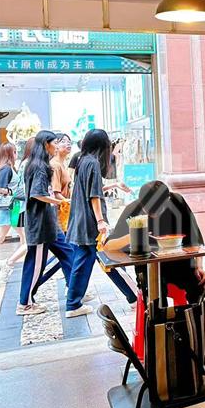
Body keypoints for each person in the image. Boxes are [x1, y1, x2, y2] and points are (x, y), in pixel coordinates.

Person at [103, 180, 205, 304]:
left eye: (158, 210)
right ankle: (160, 316)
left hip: (179, 264)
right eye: (149, 212)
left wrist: (198, 267)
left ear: (168, 199)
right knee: (156, 298)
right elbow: (108, 246)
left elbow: (194, 239)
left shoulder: (177, 202)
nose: (153, 215)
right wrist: (131, 236)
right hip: (148, 267)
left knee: (200, 290)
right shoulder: (133, 211)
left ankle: (192, 316)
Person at [16, 131, 74, 317]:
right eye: (54, 143)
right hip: (40, 224)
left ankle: (74, 291)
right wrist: (60, 202)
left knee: (68, 253)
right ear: (45, 144)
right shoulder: (39, 166)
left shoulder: (41, 165)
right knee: (35, 264)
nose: (56, 146)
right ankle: (25, 303)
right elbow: (37, 194)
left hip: (49, 223)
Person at [64, 128, 113, 318]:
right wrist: (100, 221)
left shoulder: (83, 160)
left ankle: (73, 301)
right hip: (88, 222)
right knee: (86, 261)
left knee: (83, 261)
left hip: (79, 219)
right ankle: (73, 304)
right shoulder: (92, 163)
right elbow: (94, 196)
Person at [4, 139, 34, 269]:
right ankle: (11, 261)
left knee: (22, 234)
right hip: (18, 205)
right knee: (22, 235)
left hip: (16, 204)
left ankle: (20, 259)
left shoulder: (20, 164)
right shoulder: (10, 168)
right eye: (14, 152)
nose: (16, 154)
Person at [50, 133, 72, 233]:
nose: (68, 144)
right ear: (55, 145)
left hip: (64, 209)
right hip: (59, 212)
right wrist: (70, 203)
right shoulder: (55, 165)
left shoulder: (62, 164)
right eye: (63, 141)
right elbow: (55, 193)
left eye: (69, 142)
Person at [0, 142, 17, 245]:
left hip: (11, 206)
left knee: (21, 232)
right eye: (14, 152)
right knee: (1, 235)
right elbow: (0, 188)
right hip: (6, 206)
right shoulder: (6, 168)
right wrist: (11, 191)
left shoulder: (7, 167)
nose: (16, 154)